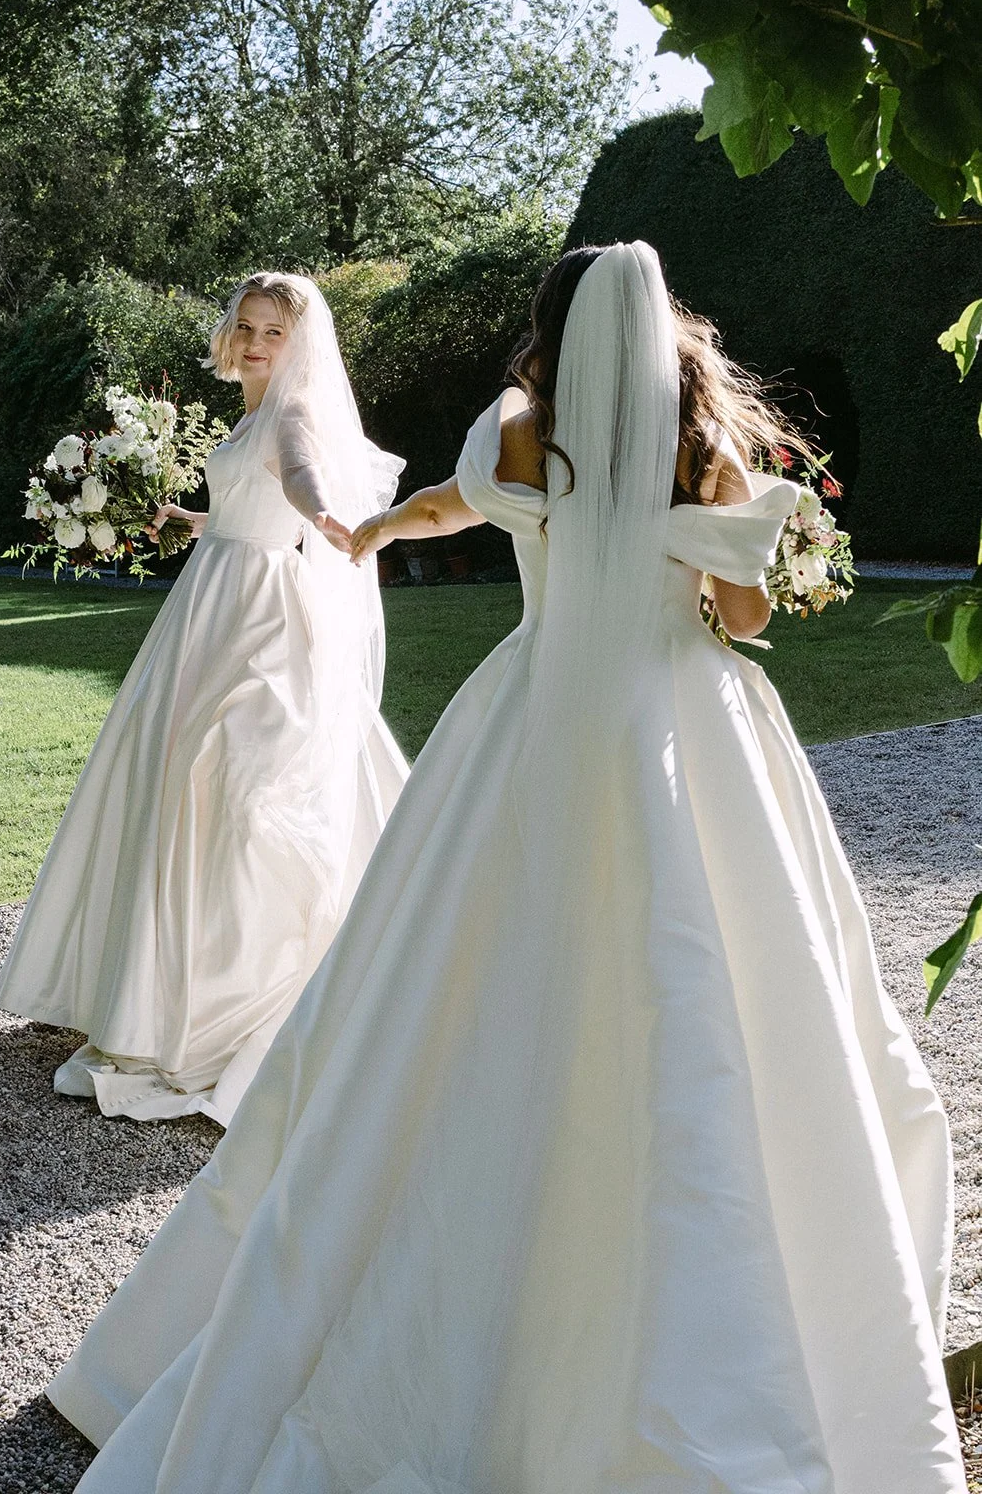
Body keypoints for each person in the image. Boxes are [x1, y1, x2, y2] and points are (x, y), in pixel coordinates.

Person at [47, 244, 966, 1491]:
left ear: (554, 328)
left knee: (440, 986)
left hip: (528, 718)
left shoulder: (519, 431)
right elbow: (740, 618)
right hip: (680, 729)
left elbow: (449, 503)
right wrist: (732, 558)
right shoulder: (706, 450)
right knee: (711, 978)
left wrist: (374, 528)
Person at [0, 273, 408, 1125]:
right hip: (211, 598)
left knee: (228, 778)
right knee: (176, 778)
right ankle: (155, 984)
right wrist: (177, 515)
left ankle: (223, 996)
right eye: (248, 327)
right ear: (229, 333)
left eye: (274, 332)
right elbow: (240, 509)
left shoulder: (291, 416)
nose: (258, 343)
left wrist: (330, 518)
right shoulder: (249, 415)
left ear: (300, 345)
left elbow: (296, 479)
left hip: (253, 616)